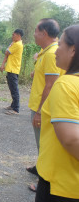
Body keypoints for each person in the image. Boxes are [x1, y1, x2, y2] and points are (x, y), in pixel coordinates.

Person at [35, 25, 79, 202]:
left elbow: (71, 139)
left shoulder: (66, 85)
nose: (56, 49)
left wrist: (38, 111)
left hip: (62, 187)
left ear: (73, 50)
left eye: (60, 44)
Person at [27, 19, 61, 192]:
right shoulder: (45, 52)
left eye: (36, 30)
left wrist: (40, 111)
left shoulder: (51, 53)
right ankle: (39, 168)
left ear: (44, 33)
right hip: (38, 105)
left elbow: (50, 84)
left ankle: (45, 181)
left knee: (45, 145)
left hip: (44, 109)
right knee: (41, 142)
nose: (34, 34)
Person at [0, 29, 24, 115]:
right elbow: (7, 53)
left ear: (18, 36)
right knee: (12, 88)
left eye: (13, 35)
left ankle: (16, 109)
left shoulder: (17, 44)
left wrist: (3, 63)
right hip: (10, 68)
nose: (12, 36)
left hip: (13, 69)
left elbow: (7, 52)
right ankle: (13, 105)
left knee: (14, 89)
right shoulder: (14, 43)